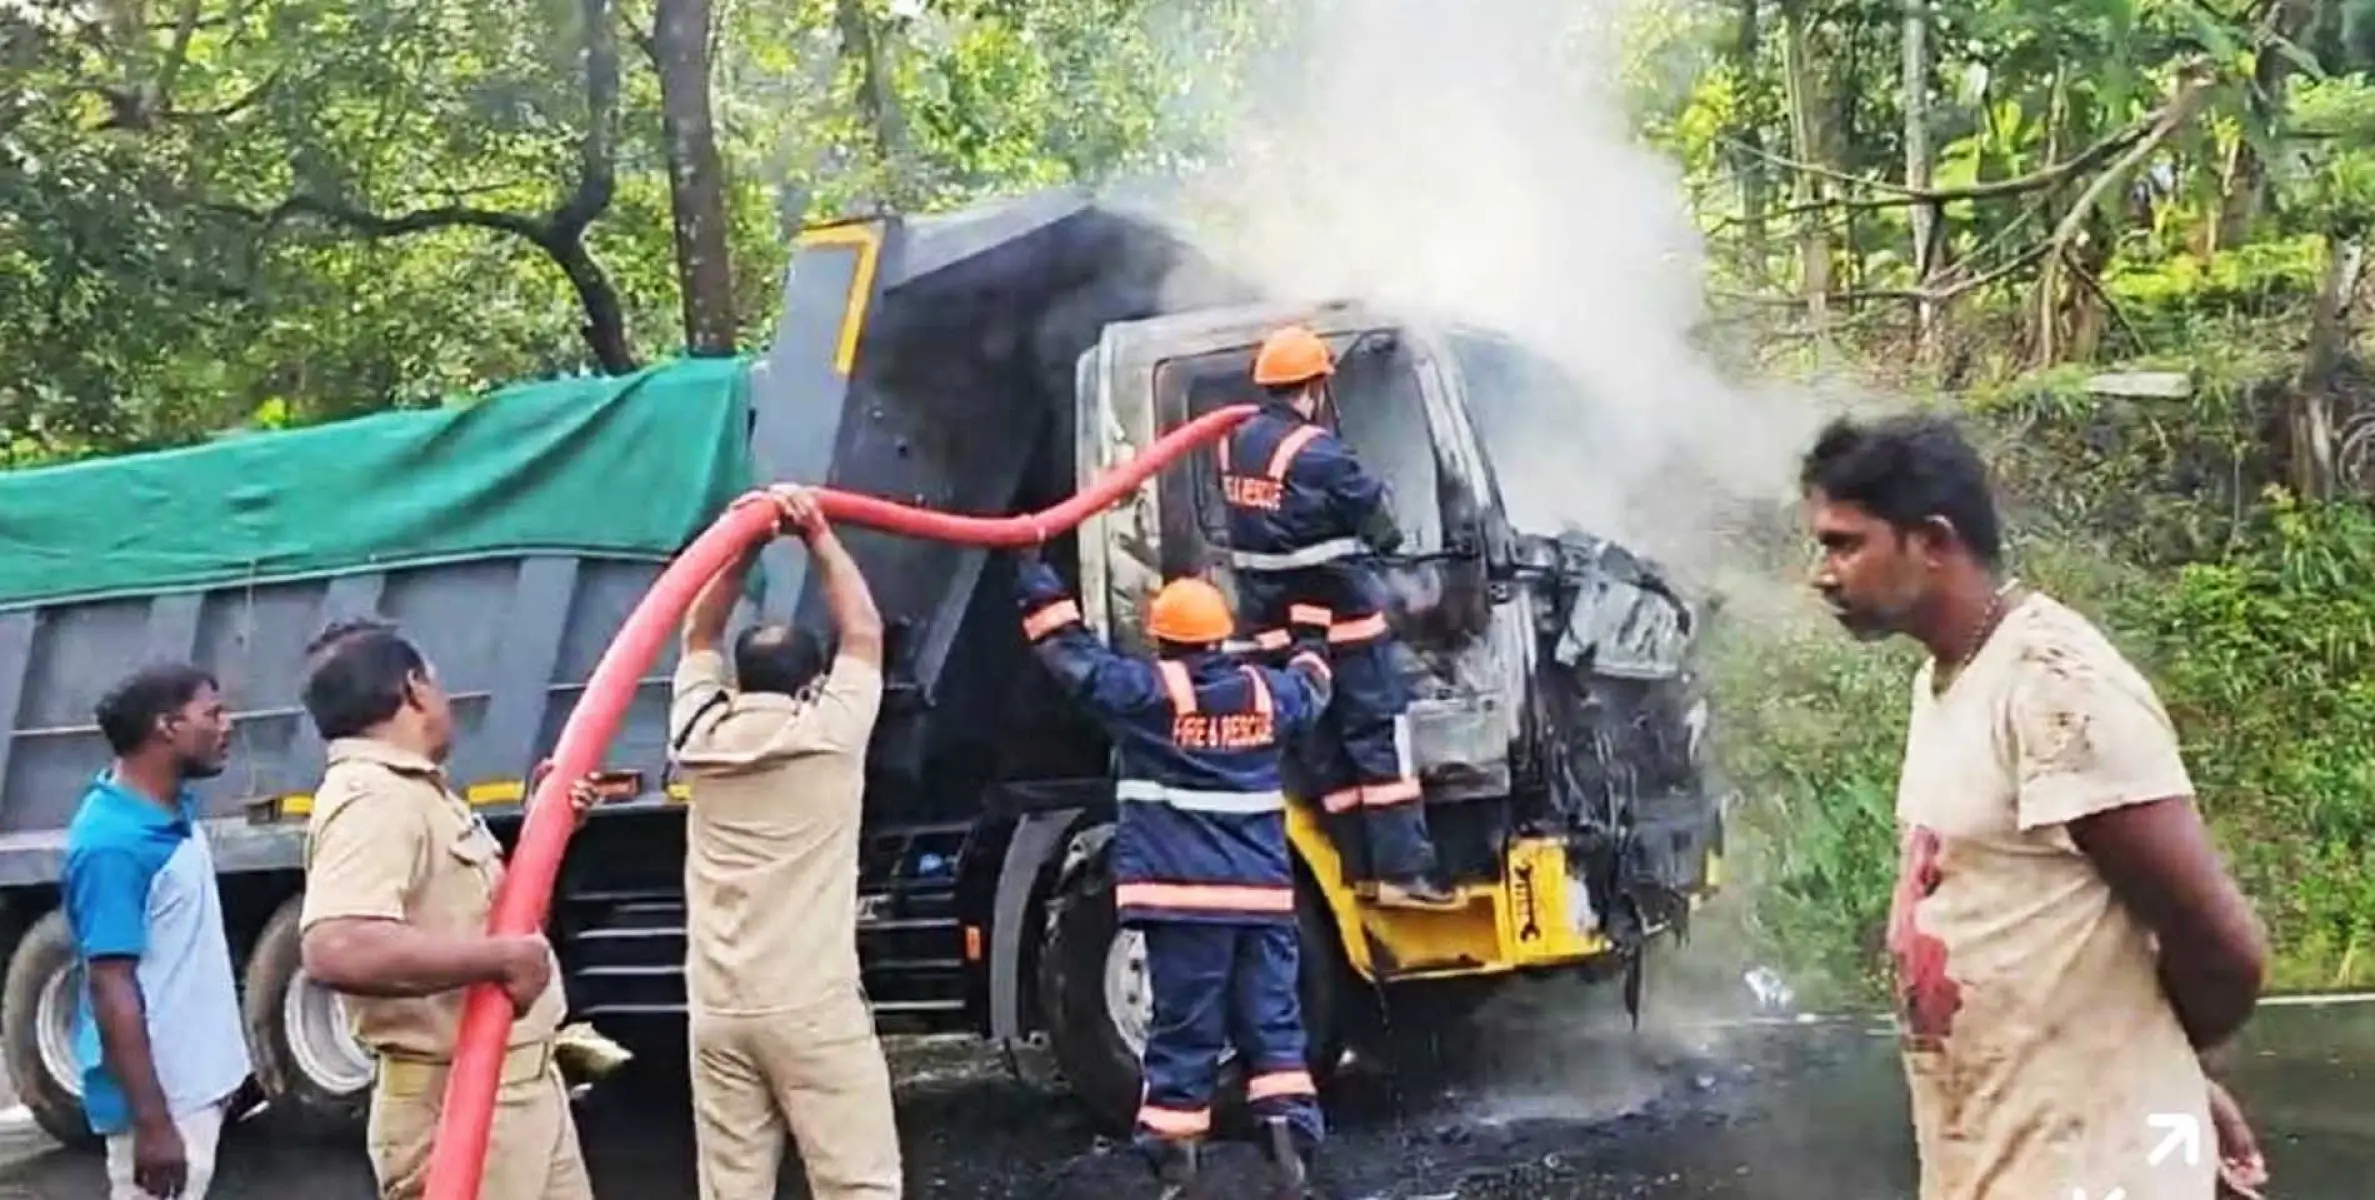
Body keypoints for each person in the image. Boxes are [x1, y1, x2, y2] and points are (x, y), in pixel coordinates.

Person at [1800, 413, 2272, 1200]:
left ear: (1932, 541)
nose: (1821, 573)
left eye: (1843, 543)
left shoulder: (2054, 686)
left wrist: (2156, 1073)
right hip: (2001, 1159)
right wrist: (2175, 1079)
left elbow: (2220, 947)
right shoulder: (1950, 676)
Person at [1016, 550, 1335, 1199]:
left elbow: (1068, 656)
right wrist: (1307, 631)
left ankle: (1176, 1171)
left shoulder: (1148, 696)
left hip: (1184, 901)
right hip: (1262, 899)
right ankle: (1289, 1158)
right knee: (1273, 1026)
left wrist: (1029, 567)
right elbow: (1313, 685)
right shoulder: (1265, 695)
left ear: (1161, 638)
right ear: (1220, 636)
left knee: (1184, 1032)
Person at [293, 618, 593, 1200]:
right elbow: (336, 947)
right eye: (438, 681)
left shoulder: (417, 792)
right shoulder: (371, 797)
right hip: (458, 1104)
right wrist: (498, 958)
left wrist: (548, 832)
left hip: (518, 1096)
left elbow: (508, 931)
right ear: (414, 690)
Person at [666, 485, 901, 1200]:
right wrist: (818, 534)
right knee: (857, 1184)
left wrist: (744, 547)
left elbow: (695, 636)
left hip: (718, 1009)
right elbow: (864, 632)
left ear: (738, 682)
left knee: (733, 1188)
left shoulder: (697, 737)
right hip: (810, 1004)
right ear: (811, 684)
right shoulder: (826, 737)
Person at [1216, 324, 1455, 910]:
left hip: (1277, 625)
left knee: (1324, 751)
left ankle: (1359, 867)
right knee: (1380, 742)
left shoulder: (1232, 443)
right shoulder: (1321, 453)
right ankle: (1404, 872)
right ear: (1317, 385)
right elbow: (1382, 526)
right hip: (1342, 620)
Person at [63, 663, 250, 1200]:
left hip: (190, 1090)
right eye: (212, 713)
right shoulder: (114, 843)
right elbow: (110, 984)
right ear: (166, 727)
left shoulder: (167, 809)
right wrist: (152, 1123)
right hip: (166, 1101)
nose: (227, 725)